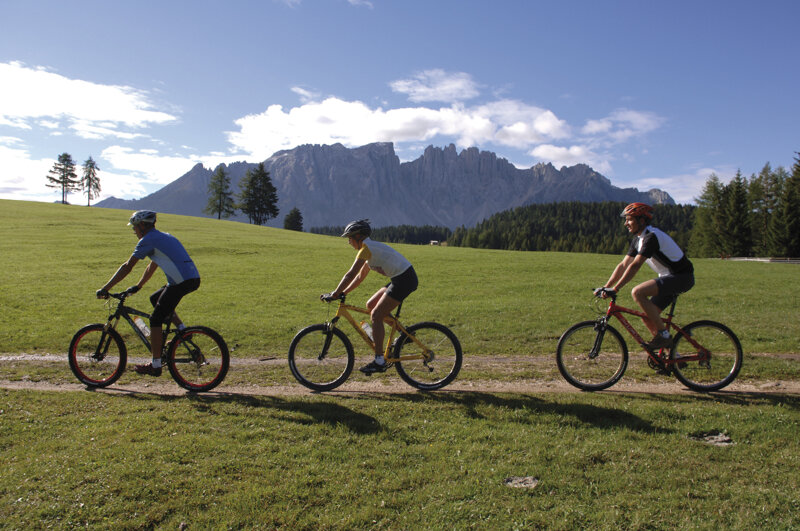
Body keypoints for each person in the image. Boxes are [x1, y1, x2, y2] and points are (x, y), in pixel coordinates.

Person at [96, 210, 201, 376]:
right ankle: (182, 331)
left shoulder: (148, 239)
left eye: (135, 227)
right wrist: (138, 286)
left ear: (143, 226)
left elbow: (127, 266)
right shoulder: (162, 236)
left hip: (181, 282)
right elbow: (153, 264)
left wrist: (106, 288)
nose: (134, 231)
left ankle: (156, 365)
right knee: (155, 299)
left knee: (155, 319)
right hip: (190, 278)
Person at [321, 219, 418, 374]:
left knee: (376, 315)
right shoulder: (369, 249)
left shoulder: (366, 249)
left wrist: (335, 293)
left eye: (350, 238)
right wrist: (343, 293)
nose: (349, 242)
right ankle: (404, 335)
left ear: (358, 236)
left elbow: (350, 274)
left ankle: (379, 361)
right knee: (371, 304)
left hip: (404, 280)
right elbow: (359, 277)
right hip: (400, 279)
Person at [597, 202, 694, 350]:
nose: (626, 223)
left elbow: (635, 265)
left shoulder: (651, 237)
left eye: (629, 219)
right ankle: (673, 357)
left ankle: (664, 335)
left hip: (681, 277)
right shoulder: (638, 239)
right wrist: (606, 286)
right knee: (647, 318)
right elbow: (623, 265)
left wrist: (615, 289)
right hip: (668, 277)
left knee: (638, 292)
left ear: (641, 220)